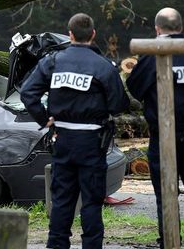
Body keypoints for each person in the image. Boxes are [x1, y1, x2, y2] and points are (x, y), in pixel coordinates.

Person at [20, 13, 129, 249]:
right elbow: (119, 104)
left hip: (63, 139)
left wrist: (45, 119)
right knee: (91, 201)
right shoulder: (103, 66)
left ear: (70, 34)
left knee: (62, 199)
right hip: (92, 141)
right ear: (93, 35)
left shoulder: (53, 62)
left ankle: (57, 245)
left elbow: (28, 94)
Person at [126, 7, 184, 248]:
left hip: (163, 136)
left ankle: (169, 241)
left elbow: (134, 86)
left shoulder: (153, 54)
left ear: (157, 29)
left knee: (166, 195)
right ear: (181, 28)